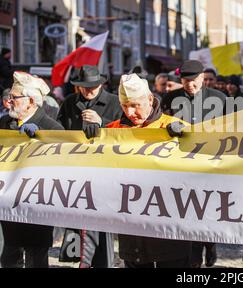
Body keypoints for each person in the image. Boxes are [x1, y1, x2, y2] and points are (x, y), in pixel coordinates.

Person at [109, 73, 192, 268]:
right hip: (132, 226)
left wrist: (187, 137)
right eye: (124, 106)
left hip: (170, 223)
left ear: (149, 99)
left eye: (135, 105)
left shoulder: (171, 125)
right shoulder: (113, 130)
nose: (130, 112)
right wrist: (92, 137)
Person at [162, 60, 225, 268]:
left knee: (208, 209)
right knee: (190, 209)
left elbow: (232, 128)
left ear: (202, 78)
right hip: (183, 163)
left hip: (210, 162)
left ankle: (210, 243)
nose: (190, 85)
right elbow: (160, 125)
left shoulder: (219, 99)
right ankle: (194, 256)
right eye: (185, 81)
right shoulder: (170, 98)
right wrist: (169, 128)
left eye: (194, 81)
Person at [57, 65, 121, 268]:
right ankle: (80, 258)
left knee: (101, 219)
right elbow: (60, 130)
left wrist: (102, 122)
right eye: (84, 87)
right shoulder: (69, 102)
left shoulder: (113, 101)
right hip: (77, 168)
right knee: (79, 217)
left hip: (105, 168)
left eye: (92, 86)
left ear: (101, 84)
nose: (88, 90)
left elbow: (125, 131)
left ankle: (104, 262)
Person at [0, 72, 64, 268]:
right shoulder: (4, 124)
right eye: (9, 97)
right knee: (9, 256)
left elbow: (62, 167)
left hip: (36, 204)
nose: (9, 101)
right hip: (8, 204)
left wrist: (39, 141)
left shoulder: (52, 128)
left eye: (14, 97)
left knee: (36, 256)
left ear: (31, 101)